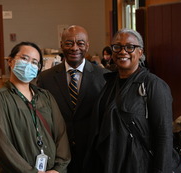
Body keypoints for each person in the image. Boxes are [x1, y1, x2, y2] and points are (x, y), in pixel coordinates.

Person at [84, 28, 176, 173]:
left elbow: (164, 136)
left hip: (139, 165)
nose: (123, 51)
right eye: (117, 47)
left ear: (140, 52)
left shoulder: (154, 85)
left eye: (130, 47)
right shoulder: (109, 83)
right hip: (109, 162)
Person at [0, 42, 71, 173]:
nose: (29, 64)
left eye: (35, 62)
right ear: (11, 61)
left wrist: (58, 168)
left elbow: (61, 133)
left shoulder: (45, 96)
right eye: (24, 58)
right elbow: (2, 146)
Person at [36, 25, 109, 173]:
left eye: (80, 43)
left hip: (93, 153)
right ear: (61, 45)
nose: (74, 48)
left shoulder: (104, 77)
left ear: (87, 46)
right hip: (58, 153)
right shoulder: (46, 78)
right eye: (69, 43)